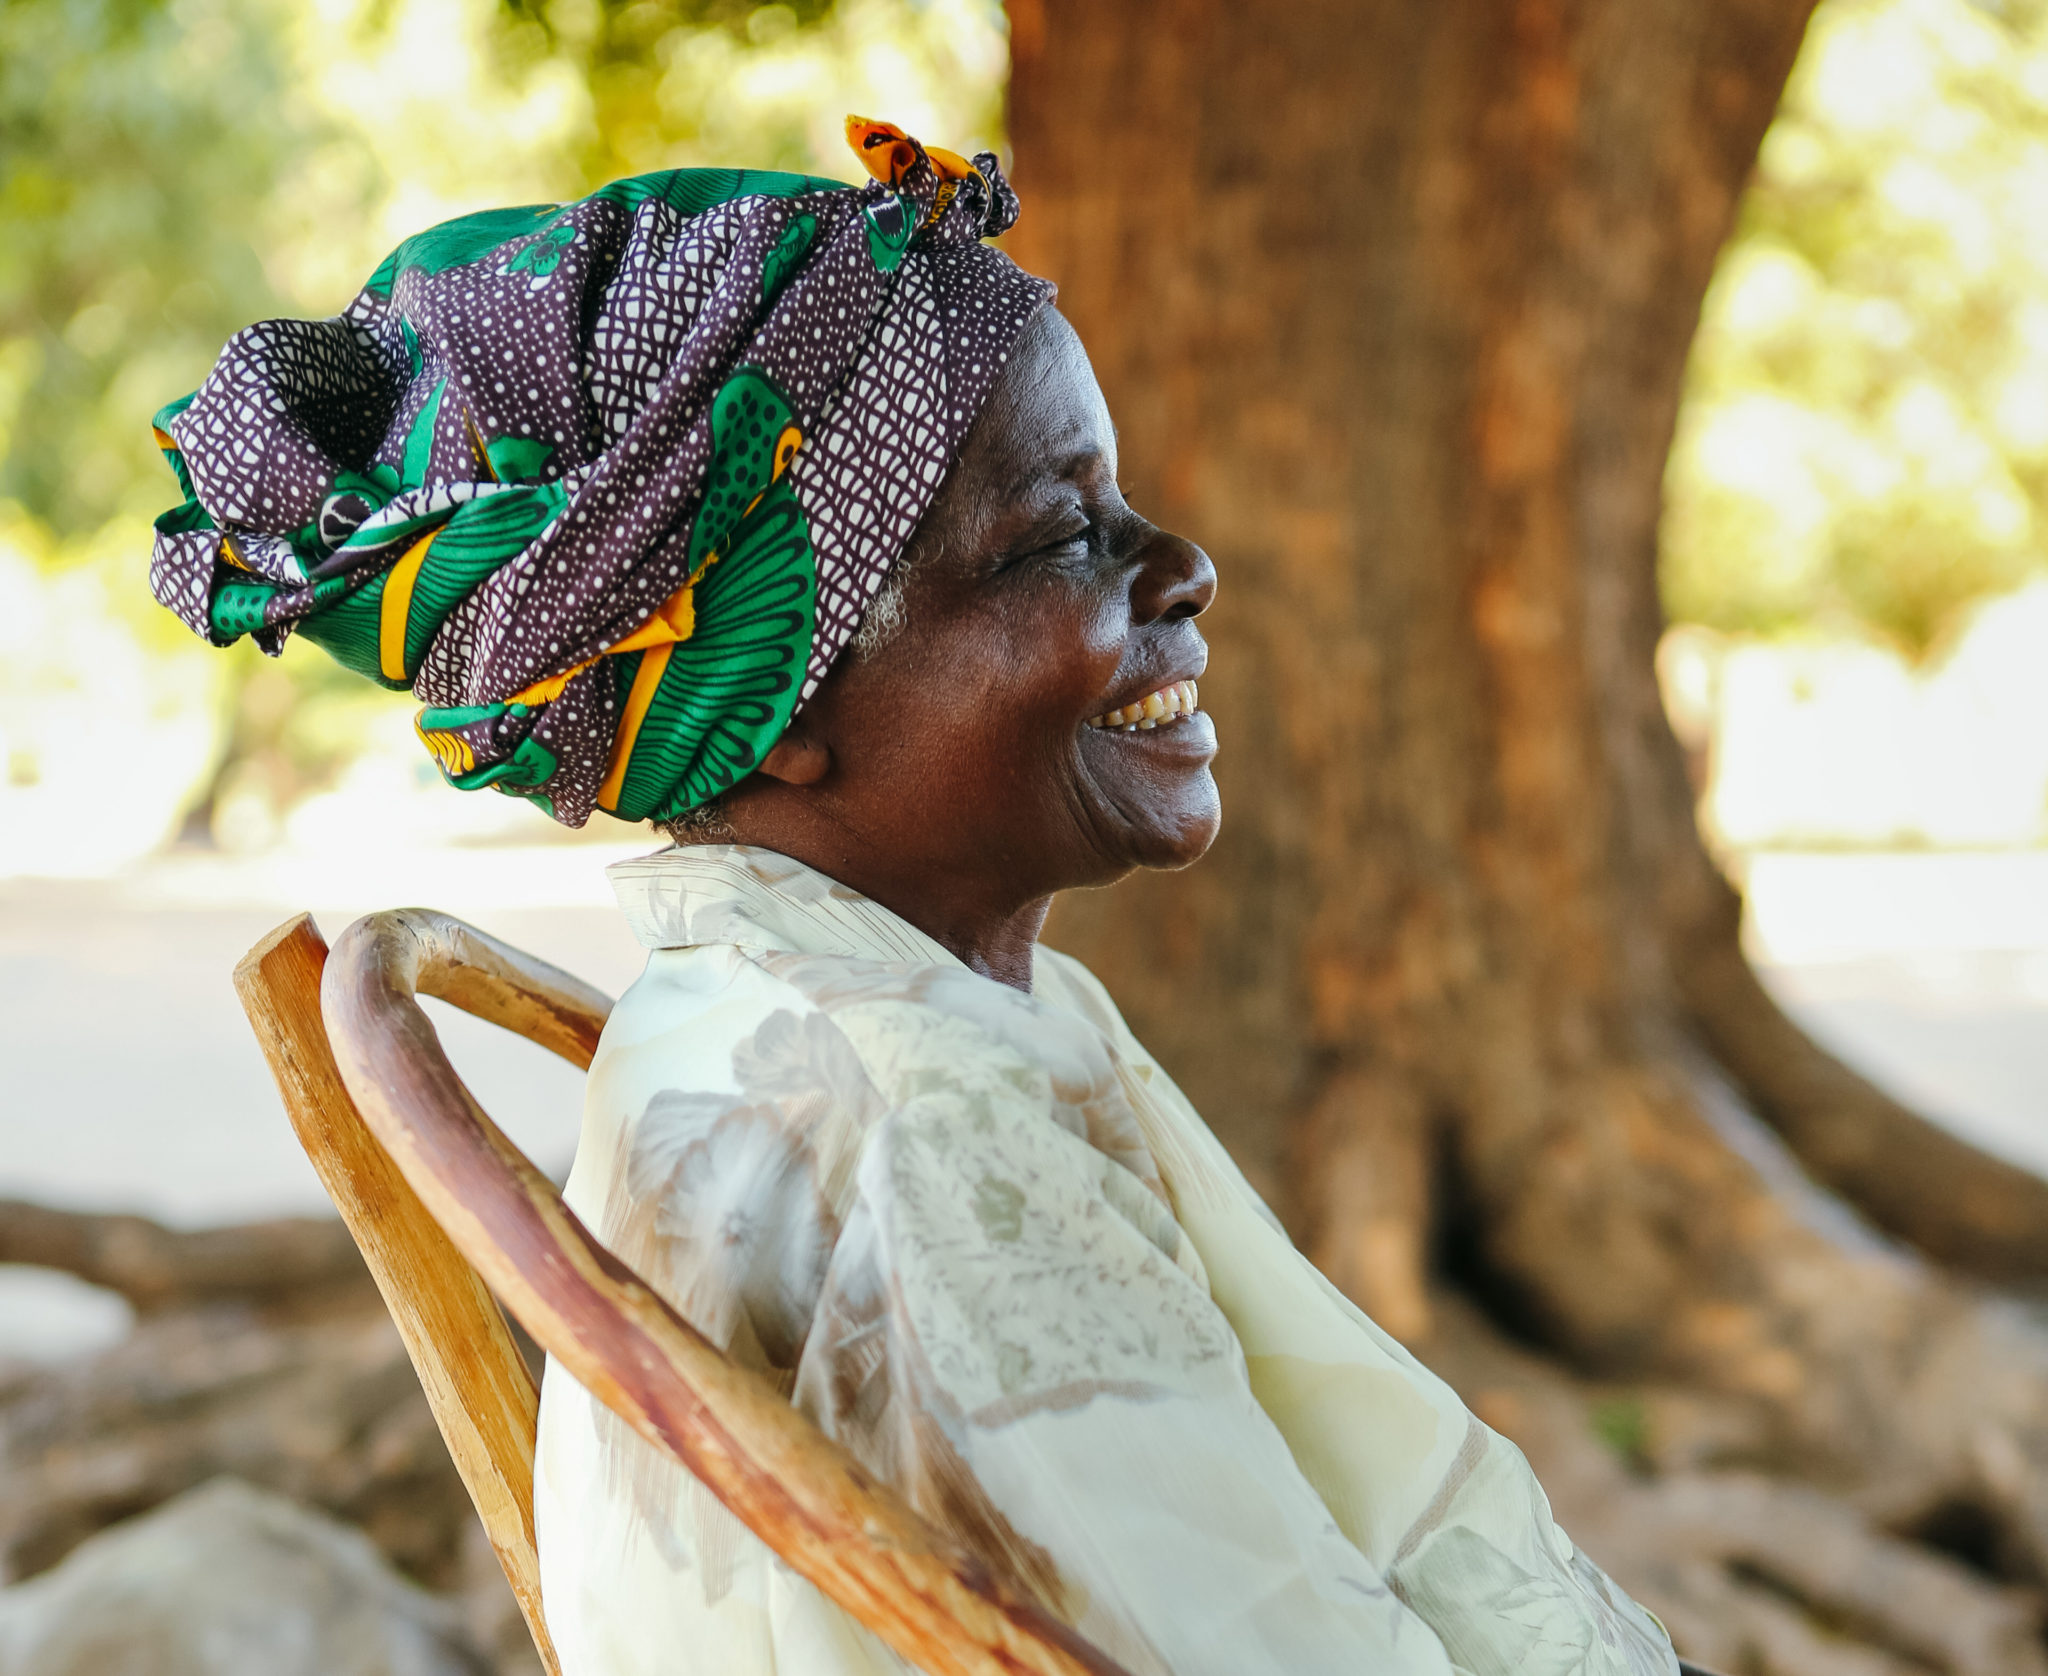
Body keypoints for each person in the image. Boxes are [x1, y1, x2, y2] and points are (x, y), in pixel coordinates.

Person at [149, 120, 1679, 1676]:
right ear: (776, 701)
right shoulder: (930, 1123)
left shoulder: (814, 1006)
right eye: (1059, 535)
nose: (1187, 565)